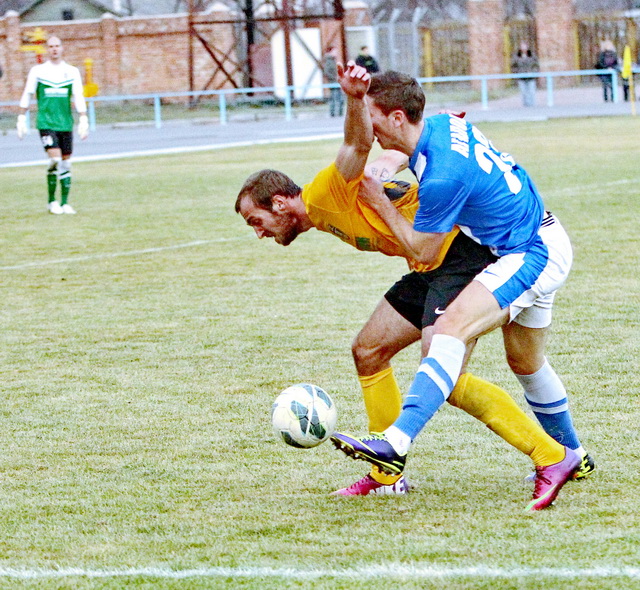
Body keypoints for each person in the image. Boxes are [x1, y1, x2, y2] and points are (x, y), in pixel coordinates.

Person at [236, 66, 591, 510]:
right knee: (369, 350)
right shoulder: (390, 163)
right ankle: (388, 476)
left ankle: (549, 455)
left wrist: (354, 100)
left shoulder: (325, 194)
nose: (259, 232)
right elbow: (395, 153)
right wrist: (392, 161)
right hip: (434, 263)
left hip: (460, 256)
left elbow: (357, 146)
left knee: (445, 368)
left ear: (280, 203)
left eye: (257, 221)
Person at [17, 36, 89, 215]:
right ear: (47, 49)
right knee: (55, 159)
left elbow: (78, 95)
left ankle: (65, 203)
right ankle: (52, 201)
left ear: (62, 48)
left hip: (65, 123)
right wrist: (21, 117)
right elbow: (28, 93)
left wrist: (83, 118)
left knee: (66, 163)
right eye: (51, 46)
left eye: (57, 46)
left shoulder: (71, 71)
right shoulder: (38, 71)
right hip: (46, 122)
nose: (54, 49)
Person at [511, 41, 539, 107]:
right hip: (521, 78)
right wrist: (517, 72)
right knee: (523, 92)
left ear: (527, 47)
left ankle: (532, 106)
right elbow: (513, 66)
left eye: (525, 46)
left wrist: (533, 72)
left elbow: (536, 65)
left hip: (531, 77)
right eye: (522, 47)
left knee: (531, 92)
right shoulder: (517, 56)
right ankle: (525, 106)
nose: (523, 48)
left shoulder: (532, 55)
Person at [324, 46, 344, 117]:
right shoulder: (329, 61)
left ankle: (339, 113)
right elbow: (327, 72)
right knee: (335, 98)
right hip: (333, 83)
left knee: (339, 98)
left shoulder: (333, 61)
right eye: (335, 51)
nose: (336, 53)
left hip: (336, 82)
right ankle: (334, 113)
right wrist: (335, 78)